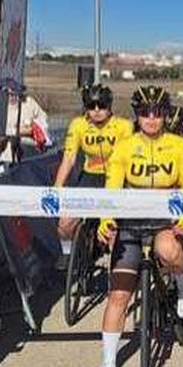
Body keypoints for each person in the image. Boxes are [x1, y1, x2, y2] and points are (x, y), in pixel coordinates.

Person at [96, 86, 183, 367]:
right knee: (119, 293)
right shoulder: (124, 146)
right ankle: (108, 361)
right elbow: (112, 187)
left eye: (158, 112)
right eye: (145, 112)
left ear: (166, 115)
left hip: (163, 221)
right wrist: (106, 219)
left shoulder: (181, 146)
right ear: (137, 115)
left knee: (169, 251)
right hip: (131, 223)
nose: (152, 118)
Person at [53, 84, 132, 266]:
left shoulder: (123, 126)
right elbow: (69, 157)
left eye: (101, 106)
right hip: (89, 177)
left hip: (115, 179)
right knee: (65, 223)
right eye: (91, 106)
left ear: (110, 106)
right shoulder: (78, 124)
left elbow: (127, 159)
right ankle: (67, 252)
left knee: (114, 232)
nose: (96, 111)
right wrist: (57, 187)